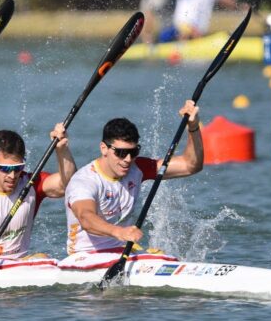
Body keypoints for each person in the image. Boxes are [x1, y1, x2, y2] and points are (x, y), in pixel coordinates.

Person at [62, 103, 203, 259]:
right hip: (85, 256)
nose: (128, 160)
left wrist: (193, 127)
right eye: (121, 153)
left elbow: (191, 165)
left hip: (122, 250)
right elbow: (85, 218)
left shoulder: (137, 169)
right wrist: (120, 232)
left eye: (133, 152)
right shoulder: (84, 181)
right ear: (104, 148)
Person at [0, 124, 76, 264]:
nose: (12, 176)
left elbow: (69, 185)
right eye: (5, 168)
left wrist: (62, 150)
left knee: (42, 257)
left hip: (18, 265)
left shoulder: (30, 184)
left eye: (18, 168)